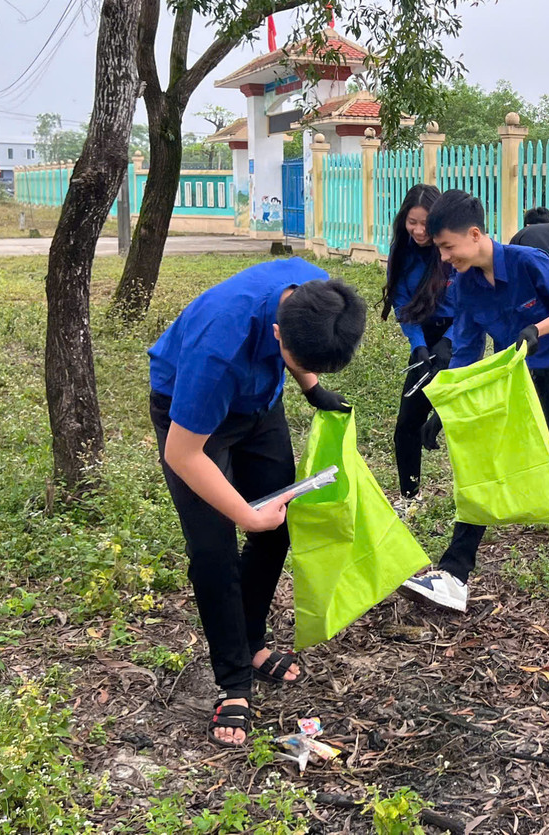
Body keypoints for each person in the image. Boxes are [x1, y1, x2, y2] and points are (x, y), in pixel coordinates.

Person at [148, 258, 367, 748]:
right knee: (214, 550)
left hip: (259, 405)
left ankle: (250, 641)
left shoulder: (317, 295)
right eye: (300, 360)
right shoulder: (218, 349)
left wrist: (312, 387)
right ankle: (233, 682)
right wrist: (245, 514)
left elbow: (305, 347)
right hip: (193, 420)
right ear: (276, 333)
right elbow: (182, 453)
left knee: (279, 525)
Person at [399, 190, 549, 613]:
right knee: (489, 462)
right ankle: (454, 574)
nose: (444, 258)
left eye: (448, 247)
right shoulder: (466, 284)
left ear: (475, 235)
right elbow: (465, 349)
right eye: (440, 249)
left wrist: (538, 329)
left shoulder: (528, 261)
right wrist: (444, 407)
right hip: (513, 382)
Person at [380, 183, 456, 515]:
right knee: (407, 424)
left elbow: (470, 305)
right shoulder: (402, 250)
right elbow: (401, 303)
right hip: (424, 337)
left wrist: (449, 343)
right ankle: (410, 499)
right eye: (413, 222)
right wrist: (420, 346)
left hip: (459, 337)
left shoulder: (451, 249)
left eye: (426, 223)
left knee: (460, 421)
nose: (419, 230)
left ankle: (478, 499)